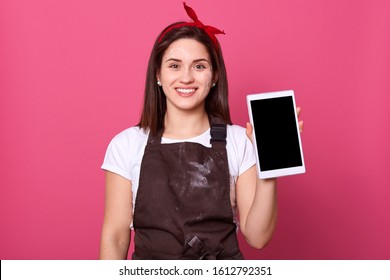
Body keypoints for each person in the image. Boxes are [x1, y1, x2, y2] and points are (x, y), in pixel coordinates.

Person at [99, 2, 302, 260]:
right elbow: (115, 237)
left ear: (214, 75)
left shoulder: (240, 141)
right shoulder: (126, 144)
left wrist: (270, 164)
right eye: (174, 66)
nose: (186, 78)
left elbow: (258, 236)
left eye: (199, 66)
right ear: (158, 75)